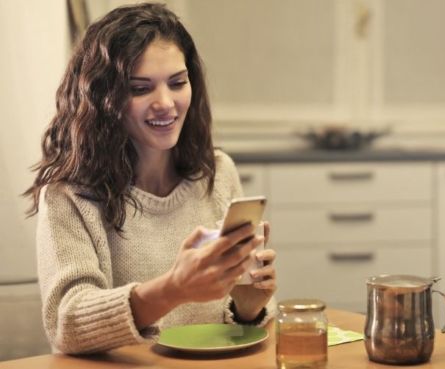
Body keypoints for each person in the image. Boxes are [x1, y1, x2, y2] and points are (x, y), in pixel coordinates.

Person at [24, 3, 277, 354]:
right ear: (103, 98)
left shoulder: (217, 174)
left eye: (177, 83)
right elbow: (68, 325)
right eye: (140, 89)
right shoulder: (68, 195)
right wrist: (174, 288)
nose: (166, 103)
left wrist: (247, 305)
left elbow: (235, 328)